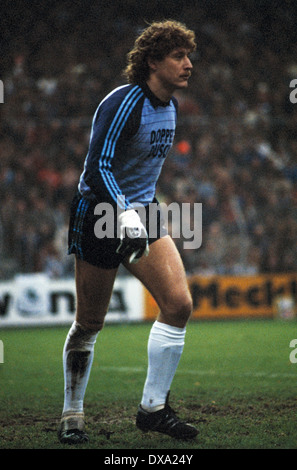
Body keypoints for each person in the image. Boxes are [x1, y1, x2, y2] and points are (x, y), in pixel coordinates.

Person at [58, 20, 198, 444]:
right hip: (99, 213)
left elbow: (142, 171)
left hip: (142, 211)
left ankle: (153, 409)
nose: (189, 64)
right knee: (89, 323)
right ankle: (72, 413)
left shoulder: (170, 105)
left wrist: (145, 209)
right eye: (179, 56)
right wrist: (124, 213)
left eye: (189, 56)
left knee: (178, 305)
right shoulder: (123, 102)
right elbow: (97, 167)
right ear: (153, 61)